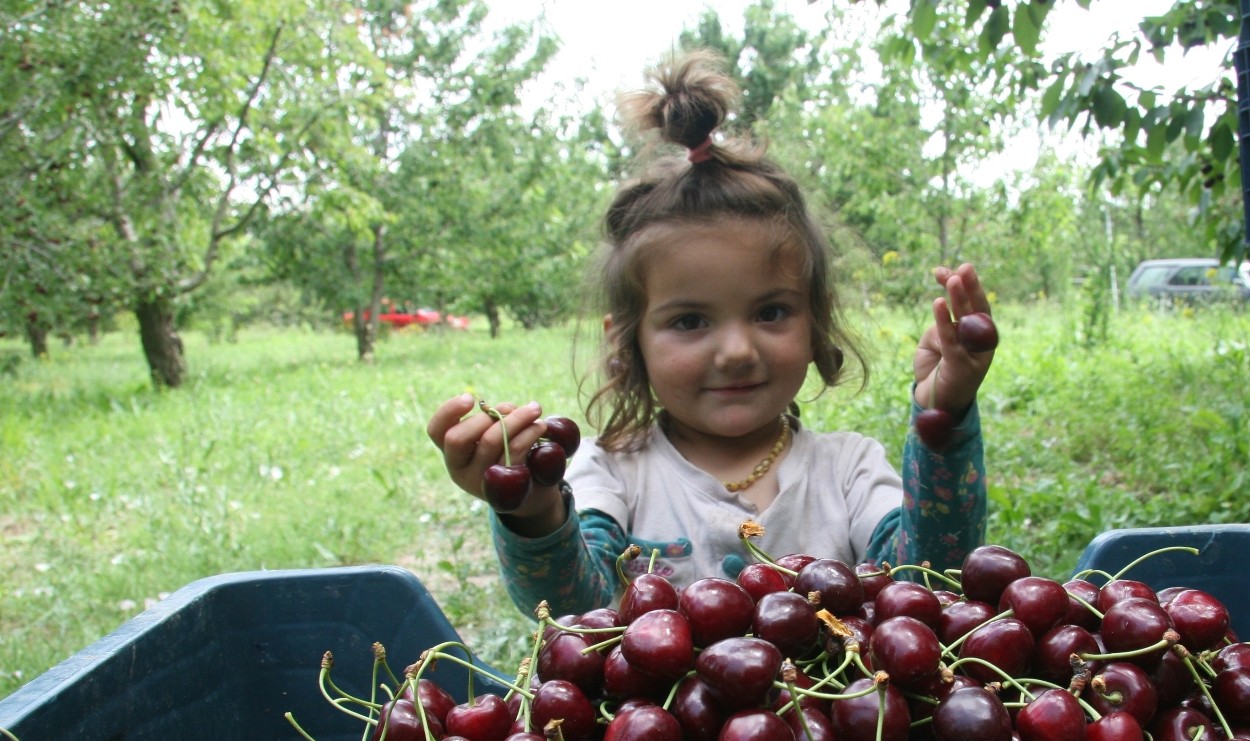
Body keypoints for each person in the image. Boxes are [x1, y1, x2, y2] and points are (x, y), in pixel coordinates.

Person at [426, 51, 996, 621]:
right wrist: (531, 508)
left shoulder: (847, 471)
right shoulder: (612, 475)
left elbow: (928, 579)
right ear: (630, 345)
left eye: (771, 312)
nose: (737, 351)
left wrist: (942, 422)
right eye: (690, 321)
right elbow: (576, 606)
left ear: (815, 324)